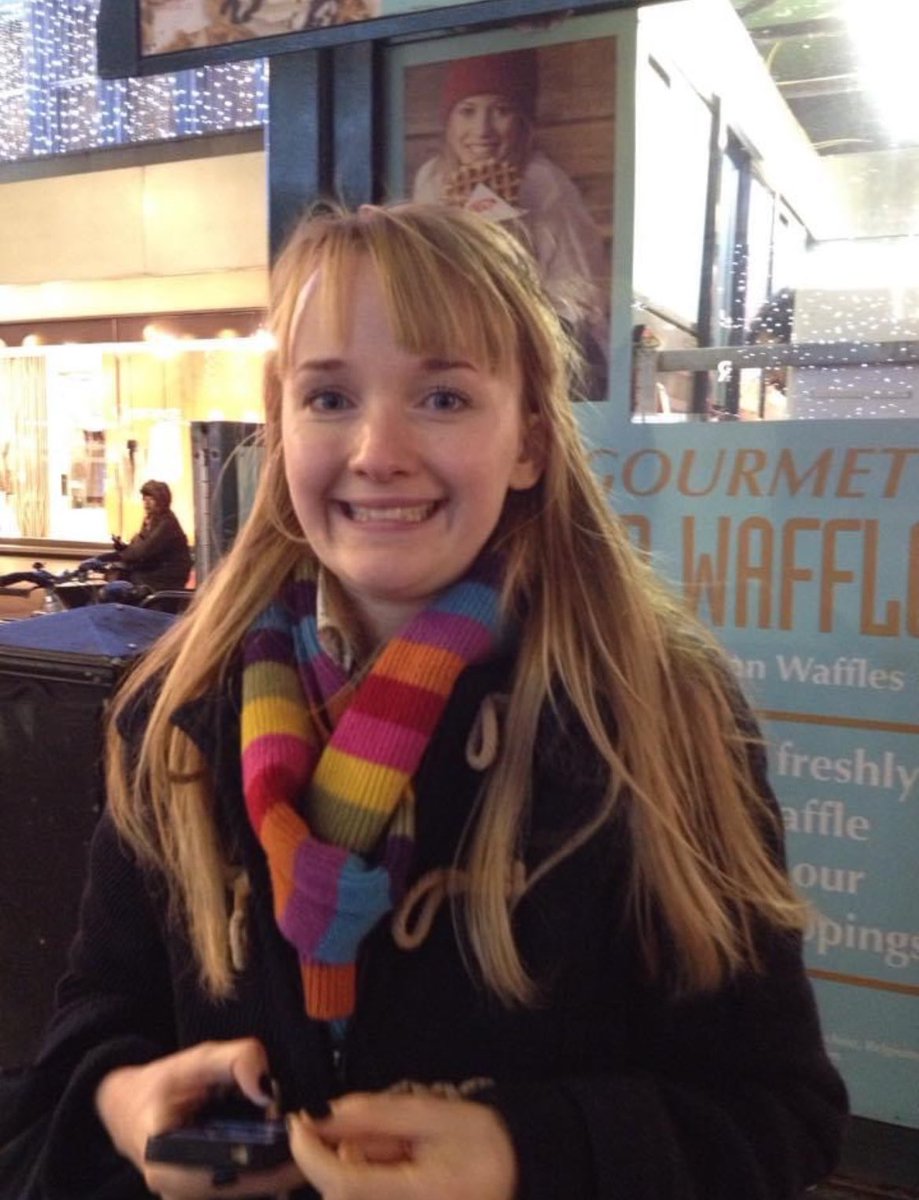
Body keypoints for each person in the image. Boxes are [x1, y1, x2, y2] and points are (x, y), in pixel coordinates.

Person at [0, 204, 846, 1199]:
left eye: (442, 397)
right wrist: (123, 1102)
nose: (377, 450)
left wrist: (521, 1157)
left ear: (529, 441)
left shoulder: (657, 715)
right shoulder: (177, 710)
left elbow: (774, 1112)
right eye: (328, 397)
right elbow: (88, 1034)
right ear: (281, 431)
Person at [412, 49, 610, 400]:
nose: (482, 130)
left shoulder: (544, 184)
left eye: (501, 111)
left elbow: (582, 300)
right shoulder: (430, 180)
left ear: (522, 122)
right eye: (467, 111)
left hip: (536, 359)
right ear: (449, 120)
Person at [109, 479, 193, 593]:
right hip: (152, 572)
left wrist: (123, 553)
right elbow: (138, 547)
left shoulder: (167, 523)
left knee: (120, 586)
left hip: (164, 579)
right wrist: (123, 548)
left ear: (162, 501)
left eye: (151, 499)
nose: (146, 503)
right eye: (144, 499)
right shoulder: (151, 520)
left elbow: (142, 552)